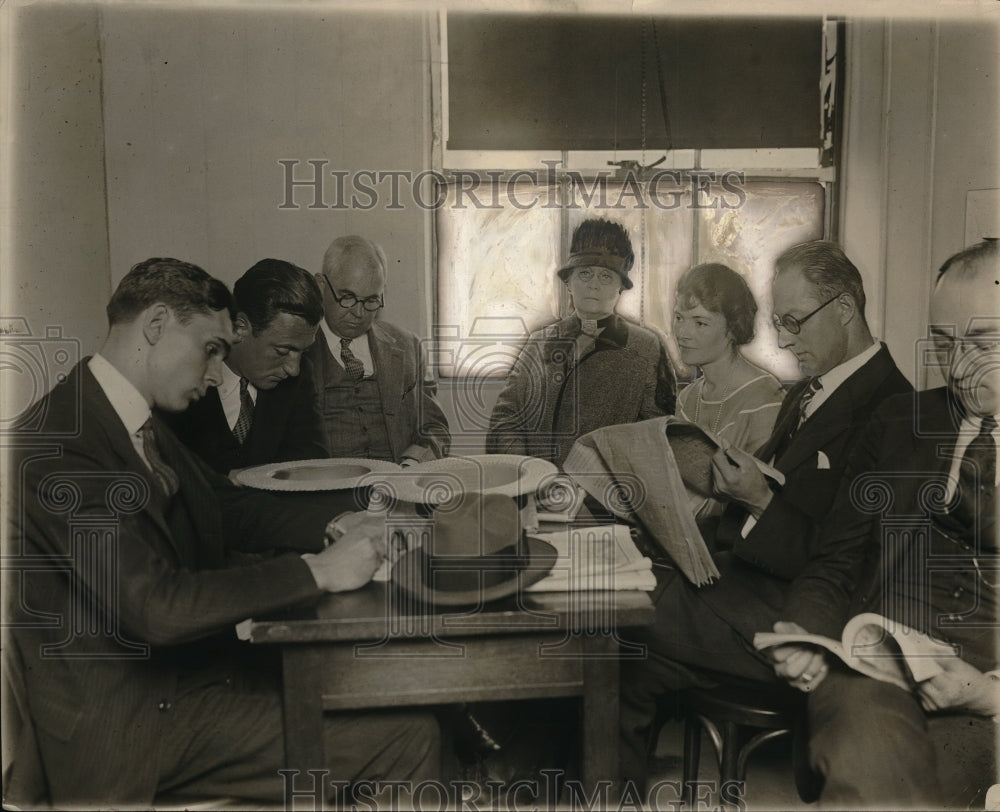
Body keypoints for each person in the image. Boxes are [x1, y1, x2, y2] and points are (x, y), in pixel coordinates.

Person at [3, 258, 439, 808]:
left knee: (376, 682)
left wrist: (338, 522)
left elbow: (224, 505)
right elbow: (156, 606)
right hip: (126, 723)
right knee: (405, 734)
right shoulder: (58, 445)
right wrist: (318, 571)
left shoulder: (128, 420)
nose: (216, 373)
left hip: (176, 679)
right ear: (157, 325)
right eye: (210, 349)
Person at [619, 240, 912, 791]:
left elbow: (852, 563)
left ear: (845, 308)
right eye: (779, 322)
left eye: (795, 322)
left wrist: (758, 499)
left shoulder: (892, 409)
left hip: (801, 617)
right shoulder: (809, 390)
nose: (782, 339)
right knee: (624, 663)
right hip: (748, 581)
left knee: (615, 617)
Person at [767, 240, 1000, 808]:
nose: (959, 363)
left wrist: (988, 695)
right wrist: (805, 635)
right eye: (943, 342)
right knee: (868, 759)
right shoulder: (900, 420)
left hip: (987, 696)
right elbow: (834, 561)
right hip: (878, 672)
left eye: (981, 341)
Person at [486, 217, 676, 466]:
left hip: (606, 498)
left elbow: (658, 434)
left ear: (621, 286)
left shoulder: (645, 347)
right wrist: (528, 469)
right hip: (536, 489)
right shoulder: (539, 343)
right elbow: (505, 419)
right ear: (569, 281)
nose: (593, 285)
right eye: (584, 273)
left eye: (606, 276)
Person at [161, 257, 327, 475]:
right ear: (240, 327)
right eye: (282, 351)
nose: (293, 369)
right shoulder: (182, 375)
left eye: (302, 351)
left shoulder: (300, 375)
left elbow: (311, 464)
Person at [306, 235, 450, 465]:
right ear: (321, 286)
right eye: (347, 297)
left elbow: (435, 429)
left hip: (398, 487)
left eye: (371, 300)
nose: (359, 313)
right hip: (325, 492)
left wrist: (411, 465)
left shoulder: (409, 347)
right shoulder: (298, 350)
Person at [673, 263, 784, 516]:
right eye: (679, 318)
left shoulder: (766, 398)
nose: (683, 333)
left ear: (733, 329)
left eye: (700, 323)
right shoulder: (687, 398)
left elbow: (761, 499)